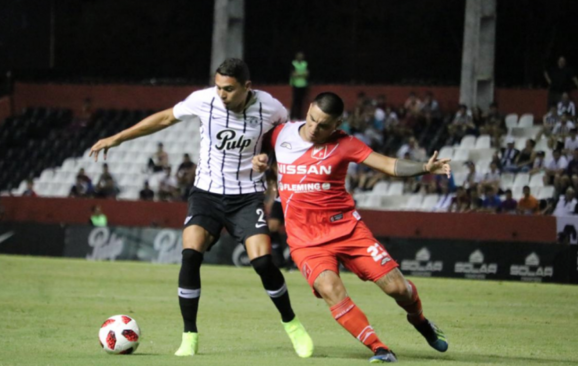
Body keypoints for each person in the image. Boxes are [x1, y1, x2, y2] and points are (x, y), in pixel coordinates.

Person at [89, 58, 313, 358]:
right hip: (206, 194)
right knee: (190, 254)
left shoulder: (271, 107)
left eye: (229, 89)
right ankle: (189, 336)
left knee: (262, 262)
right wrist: (117, 138)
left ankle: (292, 324)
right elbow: (165, 118)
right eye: (218, 87)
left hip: (246, 196)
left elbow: (282, 140)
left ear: (247, 87)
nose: (222, 94)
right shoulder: (203, 100)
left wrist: (266, 159)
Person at [253, 92, 449, 363]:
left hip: (348, 230)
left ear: (337, 124)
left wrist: (424, 167)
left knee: (397, 289)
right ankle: (380, 349)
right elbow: (254, 148)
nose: (314, 128)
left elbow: (388, 165)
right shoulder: (280, 134)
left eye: (323, 125)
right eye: (312, 120)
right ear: (308, 109)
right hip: (306, 240)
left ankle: (421, 321)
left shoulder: (345, 143)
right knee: (330, 289)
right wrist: (260, 159)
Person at [290, 52, 309, 120]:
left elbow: (307, 74)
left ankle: (299, 117)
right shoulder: (293, 63)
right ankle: (292, 116)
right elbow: (293, 74)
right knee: (295, 101)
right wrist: (302, 74)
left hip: (303, 85)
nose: (300, 58)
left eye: (301, 56)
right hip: (296, 84)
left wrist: (299, 74)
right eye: (299, 56)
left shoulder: (305, 64)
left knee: (301, 102)